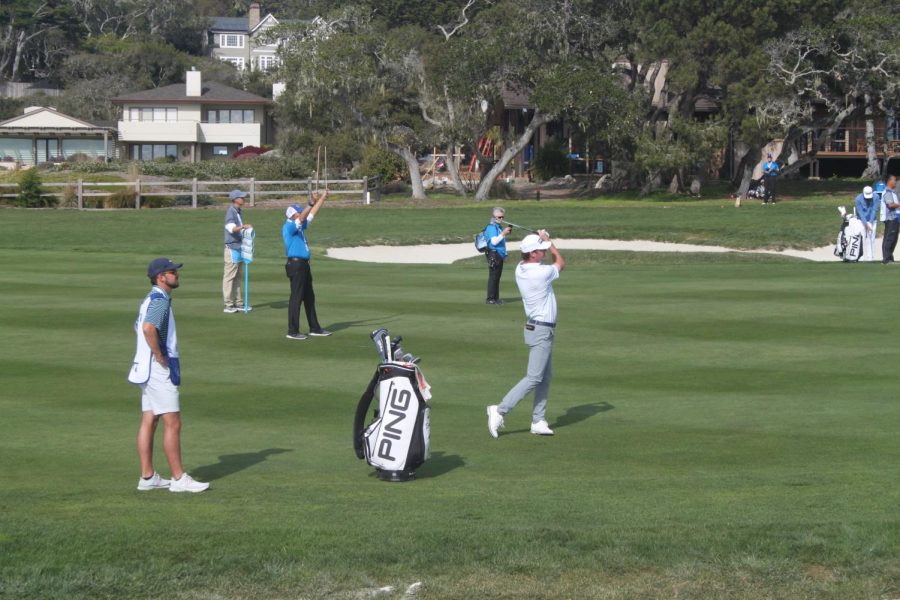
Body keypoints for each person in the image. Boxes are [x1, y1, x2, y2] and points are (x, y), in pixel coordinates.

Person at [128, 258, 209, 493]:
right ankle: (178, 479)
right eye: (173, 272)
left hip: (144, 367)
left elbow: (139, 326)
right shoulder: (160, 300)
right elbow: (147, 328)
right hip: (157, 369)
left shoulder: (150, 298)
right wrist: (159, 355)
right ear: (161, 277)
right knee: (172, 422)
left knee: (149, 419)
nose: (177, 275)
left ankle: (148, 476)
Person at [487, 229, 565, 438]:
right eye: (541, 250)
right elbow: (561, 263)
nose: (545, 252)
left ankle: (538, 420)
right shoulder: (541, 273)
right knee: (534, 377)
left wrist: (540, 239)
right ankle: (500, 409)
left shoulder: (521, 268)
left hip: (538, 328)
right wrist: (550, 241)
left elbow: (542, 257)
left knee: (545, 377)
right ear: (532, 254)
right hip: (541, 329)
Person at [283, 190, 332, 340]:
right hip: (296, 265)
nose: (301, 214)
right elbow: (305, 215)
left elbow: (311, 214)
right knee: (296, 298)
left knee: (309, 297)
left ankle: (314, 328)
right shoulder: (290, 226)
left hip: (304, 265)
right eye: (298, 213)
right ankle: (293, 331)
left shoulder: (300, 226)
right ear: (293, 215)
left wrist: (321, 199)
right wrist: (310, 202)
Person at [223, 189, 252, 313]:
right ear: (235, 199)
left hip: (239, 247)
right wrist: (242, 227)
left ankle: (238, 303)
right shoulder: (231, 211)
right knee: (230, 277)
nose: (243, 199)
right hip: (232, 248)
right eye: (241, 197)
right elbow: (230, 228)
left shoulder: (238, 211)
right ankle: (228, 304)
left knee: (238, 277)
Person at [484, 207, 512, 304]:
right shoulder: (491, 227)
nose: (501, 219)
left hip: (499, 254)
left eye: (502, 217)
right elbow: (494, 241)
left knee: (497, 276)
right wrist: (503, 233)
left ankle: (496, 298)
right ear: (494, 217)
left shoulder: (498, 227)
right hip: (493, 253)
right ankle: (490, 298)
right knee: (494, 276)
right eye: (499, 217)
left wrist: (503, 233)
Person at [854, 185, 878, 261]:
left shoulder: (876, 197)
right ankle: (861, 257)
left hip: (872, 220)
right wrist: (866, 223)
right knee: (862, 238)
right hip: (861, 220)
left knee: (871, 238)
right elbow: (860, 212)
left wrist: (870, 222)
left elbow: (874, 210)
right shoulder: (858, 199)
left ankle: (871, 257)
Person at [882, 176, 900, 264]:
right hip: (891, 218)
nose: (896, 182)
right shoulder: (888, 192)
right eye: (894, 180)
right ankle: (887, 259)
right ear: (889, 181)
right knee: (890, 238)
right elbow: (890, 205)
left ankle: (889, 258)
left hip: (894, 218)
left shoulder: (892, 192)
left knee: (893, 238)